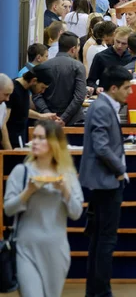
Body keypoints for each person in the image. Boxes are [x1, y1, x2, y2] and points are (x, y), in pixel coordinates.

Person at [4, 120, 84, 297]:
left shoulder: (67, 175)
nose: (35, 142)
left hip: (57, 251)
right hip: (26, 248)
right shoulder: (21, 172)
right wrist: (28, 192)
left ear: (54, 144)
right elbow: (8, 209)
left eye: (41, 138)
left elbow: (77, 212)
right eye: (34, 138)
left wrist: (65, 190)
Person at [79, 66, 133, 297]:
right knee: (105, 240)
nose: (130, 92)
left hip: (105, 181)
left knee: (100, 239)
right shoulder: (102, 108)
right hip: (106, 182)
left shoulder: (105, 105)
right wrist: (120, 169)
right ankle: (100, 291)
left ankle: (96, 290)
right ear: (114, 88)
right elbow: (101, 146)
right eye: (127, 88)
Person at [32, 32, 87, 126]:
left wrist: (49, 116)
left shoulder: (43, 66)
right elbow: (79, 97)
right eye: (78, 46)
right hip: (73, 121)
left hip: (47, 123)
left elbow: (36, 95)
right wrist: (63, 118)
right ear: (73, 49)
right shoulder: (78, 66)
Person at [5, 69, 55, 148]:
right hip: (10, 143)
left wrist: (41, 116)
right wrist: (8, 149)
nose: (42, 91)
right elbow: (3, 123)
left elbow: (21, 110)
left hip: (19, 139)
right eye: (42, 87)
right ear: (34, 80)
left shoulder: (25, 89)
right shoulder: (13, 90)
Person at [87, 26, 134, 92]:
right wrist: (96, 88)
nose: (119, 46)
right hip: (106, 96)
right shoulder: (101, 57)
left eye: (124, 43)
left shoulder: (132, 57)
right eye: (117, 41)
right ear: (114, 36)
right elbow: (90, 81)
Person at [0, 73, 14, 150]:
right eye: (6, 94)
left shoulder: (2, 106)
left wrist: (10, 153)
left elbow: (2, 129)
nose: (7, 99)